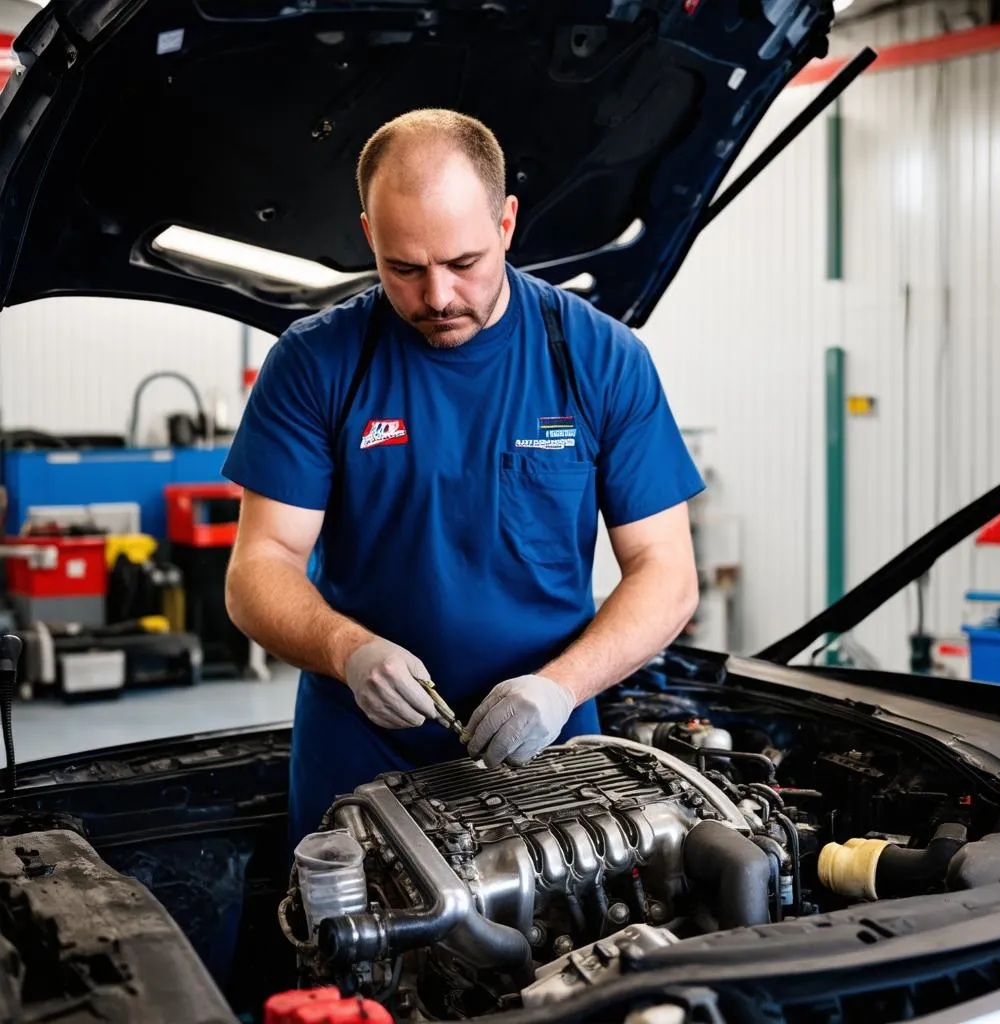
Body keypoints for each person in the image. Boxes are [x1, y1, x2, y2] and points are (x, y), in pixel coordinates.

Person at [222, 108, 705, 848]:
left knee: (571, 951)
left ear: (507, 223)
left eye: (464, 262)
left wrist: (560, 687)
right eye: (404, 269)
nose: (438, 297)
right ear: (369, 238)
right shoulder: (317, 362)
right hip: (361, 746)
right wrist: (346, 651)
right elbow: (259, 567)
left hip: (551, 739)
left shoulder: (599, 359)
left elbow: (666, 573)